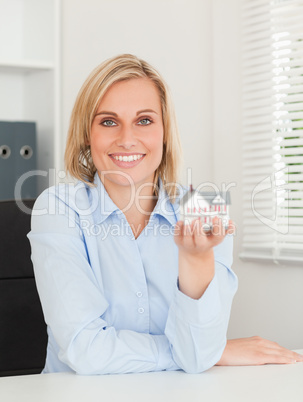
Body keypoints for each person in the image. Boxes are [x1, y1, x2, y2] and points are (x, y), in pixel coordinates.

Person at [28, 54, 303, 375]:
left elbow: (199, 353)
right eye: (108, 121)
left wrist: (196, 261)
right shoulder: (59, 208)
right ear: (87, 134)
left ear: (165, 132)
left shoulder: (203, 214)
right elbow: (86, 352)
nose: (127, 138)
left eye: (144, 120)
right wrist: (207, 352)